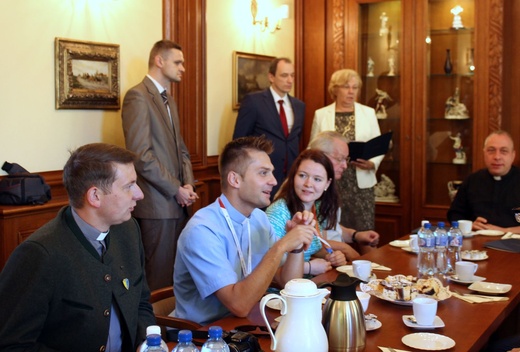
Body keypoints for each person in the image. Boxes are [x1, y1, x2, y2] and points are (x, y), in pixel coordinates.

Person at [0, 143, 155, 351]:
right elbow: (11, 345)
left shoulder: (128, 231)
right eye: (129, 186)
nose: (139, 194)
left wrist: (146, 344)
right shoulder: (39, 253)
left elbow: (141, 303)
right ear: (95, 196)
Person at [172, 136, 316, 325]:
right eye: (263, 173)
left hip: (245, 325)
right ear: (235, 179)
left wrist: (296, 246)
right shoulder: (202, 229)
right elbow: (238, 305)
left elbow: (288, 282)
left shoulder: (259, 218)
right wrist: (280, 246)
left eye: (272, 173)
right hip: (203, 336)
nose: (274, 181)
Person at [122, 39, 198, 291]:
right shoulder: (138, 96)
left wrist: (187, 184)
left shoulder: (168, 99)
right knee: (158, 281)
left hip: (178, 202)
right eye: (178, 62)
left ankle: (175, 329)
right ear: (159, 60)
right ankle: (155, 331)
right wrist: (176, 188)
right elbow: (141, 155)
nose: (183, 68)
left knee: (177, 276)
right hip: (156, 205)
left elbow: (181, 149)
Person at [310, 68, 384, 231]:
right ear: (335, 89)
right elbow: (312, 148)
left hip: (360, 183)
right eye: (346, 87)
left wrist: (372, 163)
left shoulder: (368, 113)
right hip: (330, 182)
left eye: (355, 87)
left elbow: (379, 145)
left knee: (365, 232)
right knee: (331, 229)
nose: (351, 91)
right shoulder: (322, 114)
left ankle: (366, 258)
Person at [232, 57, 306, 198]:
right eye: (284, 75)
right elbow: (239, 141)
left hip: (290, 178)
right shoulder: (254, 101)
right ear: (271, 77)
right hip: (261, 176)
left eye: (292, 75)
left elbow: (296, 139)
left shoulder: (299, 106)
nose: (290, 80)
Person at [266, 149, 347, 276]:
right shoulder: (278, 212)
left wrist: (331, 256)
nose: (308, 184)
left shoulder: (317, 207)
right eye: (302, 175)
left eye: (317, 179)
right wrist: (308, 267)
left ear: (328, 183)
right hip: (279, 291)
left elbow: (312, 248)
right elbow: (266, 266)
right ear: (293, 177)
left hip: (308, 285)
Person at [308, 131, 380, 258]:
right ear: (320, 156)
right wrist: (345, 249)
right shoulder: (308, 190)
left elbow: (330, 228)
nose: (345, 166)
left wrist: (356, 235)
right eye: (340, 159)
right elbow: (311, 241)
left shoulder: (330, 188)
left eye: (346, 159)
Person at [448, 130, 520, 233]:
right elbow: (454, 214)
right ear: (484, 153)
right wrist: (470, 225)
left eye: (504, 151)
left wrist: (504, 230)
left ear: (513, 155)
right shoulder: (472, 180)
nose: (497, 157)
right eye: (491, 150)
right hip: (476, 242)